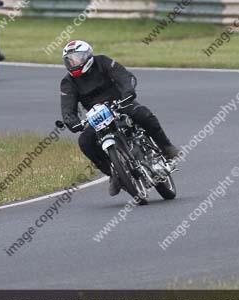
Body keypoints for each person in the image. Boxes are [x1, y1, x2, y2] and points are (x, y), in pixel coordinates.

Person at [60, 41, 179, 196]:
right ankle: (112, 174)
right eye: (70, 60)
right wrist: (72, 121)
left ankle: (166, 147)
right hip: (97, 115)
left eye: (77, 58)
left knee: (143, 114)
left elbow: (122, 75)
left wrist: (128, 92)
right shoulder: (68, 82)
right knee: (85, 142)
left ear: (88, 56)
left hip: (120, 103)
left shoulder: (102, 62)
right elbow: (67, 107)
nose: (73, 63)